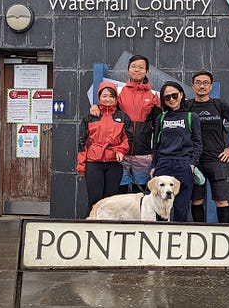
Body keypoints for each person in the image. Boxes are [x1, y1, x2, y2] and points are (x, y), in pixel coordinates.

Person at [91, 55, 161, 193]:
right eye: (134, 66)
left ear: (147, 72)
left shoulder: (153, 96)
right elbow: (108, 111)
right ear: (128, 70)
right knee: (119, 192)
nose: (137, 70)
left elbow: (159, 126)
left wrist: (155, 153)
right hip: (119, 153)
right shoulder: (119, 93)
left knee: (141, 193)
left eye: (141, 67)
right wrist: (96, 107)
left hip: (143, 154)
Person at [187, 70, 229, 223]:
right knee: (196, 200)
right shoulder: (187, 106)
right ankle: (199, 233)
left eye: (205, 83)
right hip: (195, 161)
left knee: (221, 200)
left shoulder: (219, 105)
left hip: (216, 160)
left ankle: (224, 233)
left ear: (211, 87)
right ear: (193, 86)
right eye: (198, 83)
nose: (202, 86)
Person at [77, 82, 133, 215]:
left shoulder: (122, 117)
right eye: (104, 96)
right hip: (94, 163)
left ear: (116, 98)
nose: (107, 99)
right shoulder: (90, 116)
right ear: (99, 97)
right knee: (94, 200)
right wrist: (81, 165)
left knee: (110, 201)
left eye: (111, 96)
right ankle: (90, 227)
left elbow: (128, 138)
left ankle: (108, 229)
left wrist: (121, 150)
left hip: (114, 163)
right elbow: (82, 142)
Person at [150, 81, 202, 222]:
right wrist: (154, 165)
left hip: (183, 164)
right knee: (160, 208)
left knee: (181, 207)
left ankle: (179, 241)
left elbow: (198, 143)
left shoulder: (192, 117)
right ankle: (159, 240)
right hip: (163, 164)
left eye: (174, 95)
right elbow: (156, 144)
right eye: (167, 97)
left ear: (181, 95)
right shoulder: (161, 118)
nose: (172, 100)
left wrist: (192, 163)